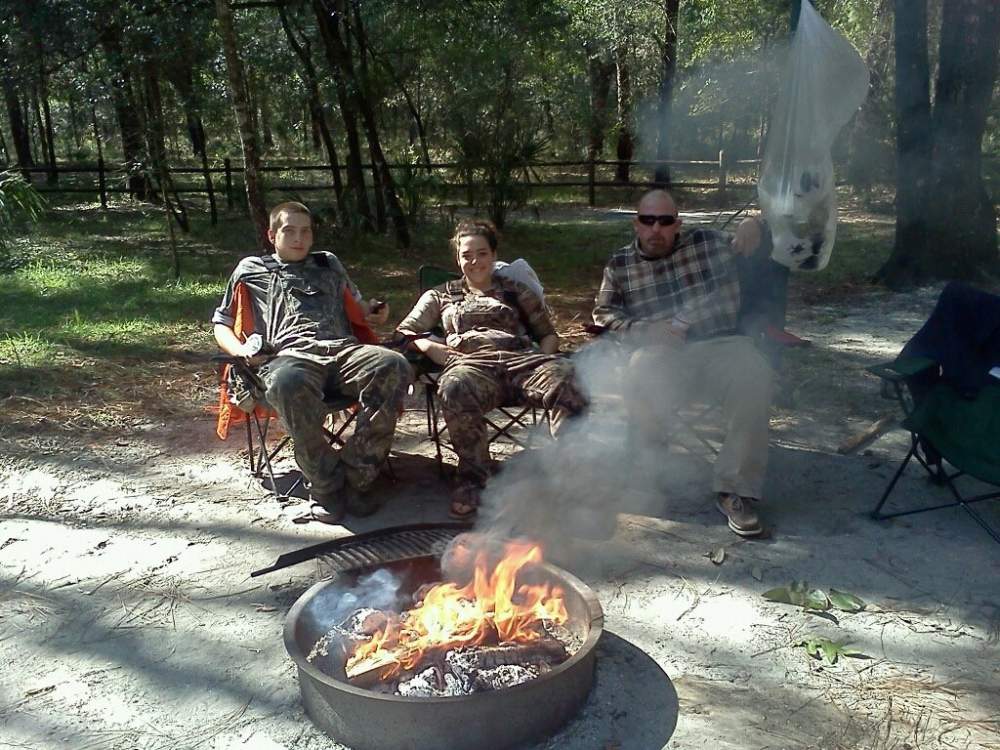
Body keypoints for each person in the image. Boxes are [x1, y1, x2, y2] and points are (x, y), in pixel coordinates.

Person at [212, 201, 410, 520]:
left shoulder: (328, 263)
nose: (299, 239)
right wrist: (241, 352)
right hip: (290, 357)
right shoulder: (251, 268)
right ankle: (326, 486)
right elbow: (221, 322)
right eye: (289, 231)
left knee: (393, 364)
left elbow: (358, 308)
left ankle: (358, 477)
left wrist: (374, 310)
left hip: (343, 352)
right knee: (286, 381)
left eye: (305, 231)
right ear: (272, 234)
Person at [592, 189, 773, 537]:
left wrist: (756, 222)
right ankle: (649, 468)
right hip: (660, 351)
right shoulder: (620, 265)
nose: (656, 229)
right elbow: (603, 315)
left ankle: (735, 490)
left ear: (678, 223)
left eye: (665, 220)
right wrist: (646, 329)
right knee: (639, 369)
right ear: (636, 224)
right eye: (648, 220)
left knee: (755, 374)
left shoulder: (707, 243)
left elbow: (779, 229)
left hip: (720, 342)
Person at [396, 219, 587, 519]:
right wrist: (431, 348)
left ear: (494, 254)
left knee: (566, 379)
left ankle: (570, 477)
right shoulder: (440, 294)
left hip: (523, 363)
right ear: (458, 259)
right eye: (466, 255)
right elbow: (406, 331)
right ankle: (473, 480)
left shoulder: (516, 291)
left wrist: (544, 359)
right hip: (472, 367)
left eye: (482, 253)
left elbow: (548, 334)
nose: (474, 261)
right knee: (454, 386)